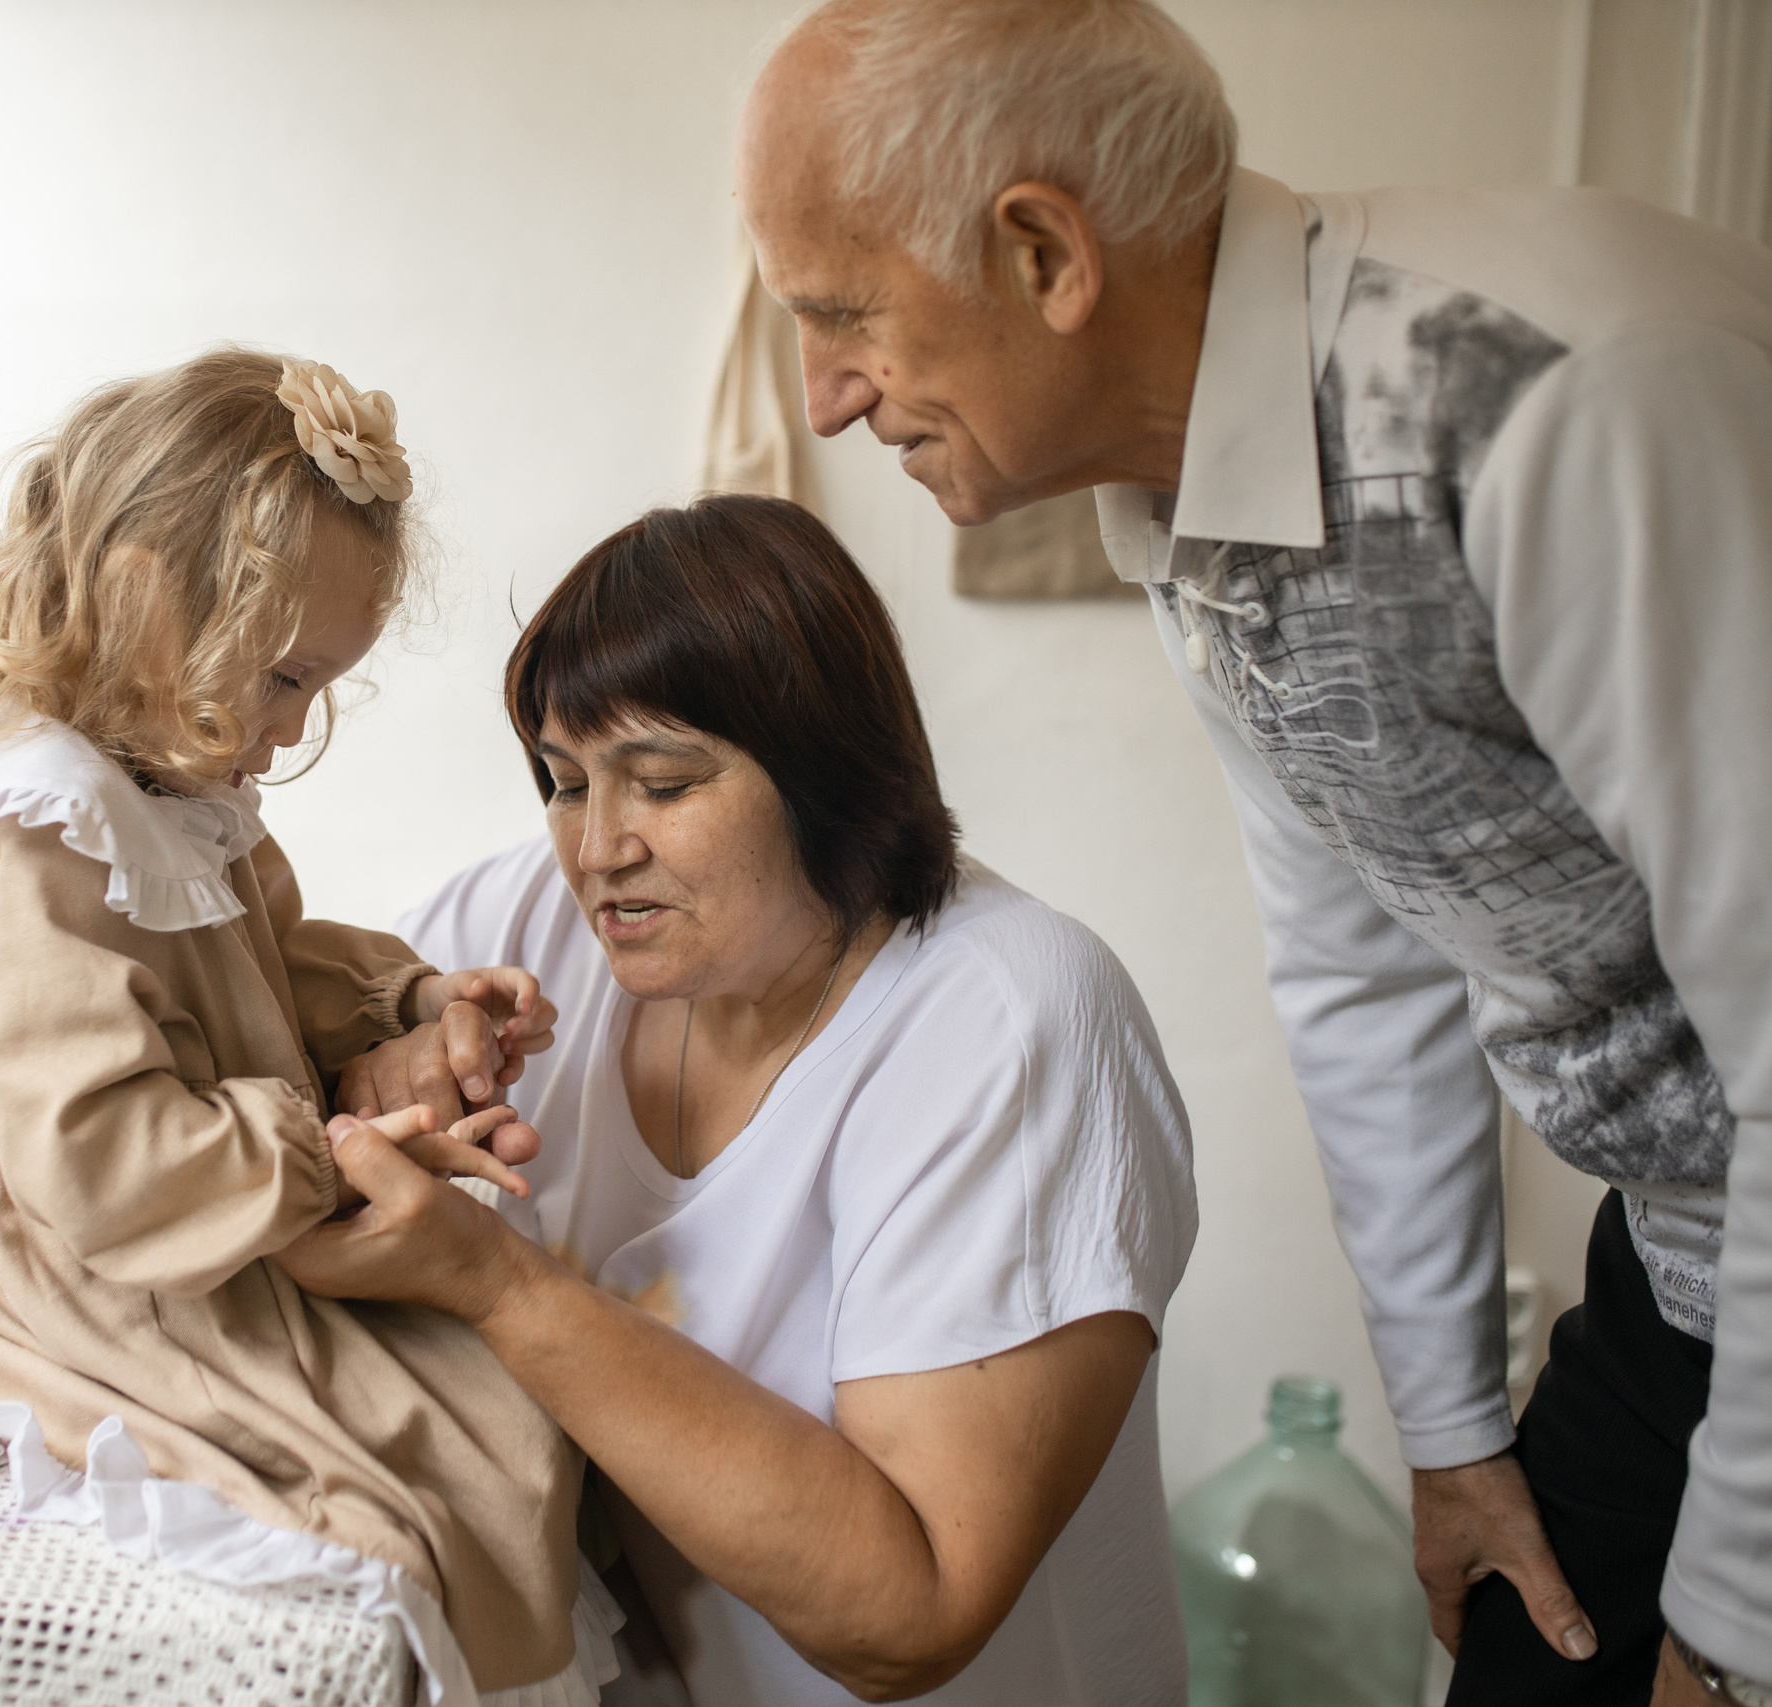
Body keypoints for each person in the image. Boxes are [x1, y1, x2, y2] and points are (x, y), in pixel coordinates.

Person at [733, 3, 1772, 1704]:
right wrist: (1457, 1432)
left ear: (1043, 251)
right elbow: (1364, 963)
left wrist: (1753, 1646)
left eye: (842, 315)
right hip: (1697, 1251)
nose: (822, 399)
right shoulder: (1203, 495)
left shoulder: (1554, 397)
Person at [281, 492, 1199, 1706]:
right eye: (562, 782)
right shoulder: (528, 929)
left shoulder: (1009, 1020)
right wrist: (376, 1066)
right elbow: (300, 1079)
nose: (599, 846)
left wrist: (495, 1283)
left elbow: (912, 1615)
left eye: (662, 785)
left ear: (827, 777)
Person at [0, 348, 617, 1705]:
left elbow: (261, 967)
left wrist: (412, 1003)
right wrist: (333, 1143)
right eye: (283, 677)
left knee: (508, 1406)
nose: (292, 727)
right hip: (97, 1242)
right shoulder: (47, 823)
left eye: (316, 685)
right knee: (431, 1461)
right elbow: (95, 1146)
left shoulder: (170, 786)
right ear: (140, 599)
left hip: (204, 1182)